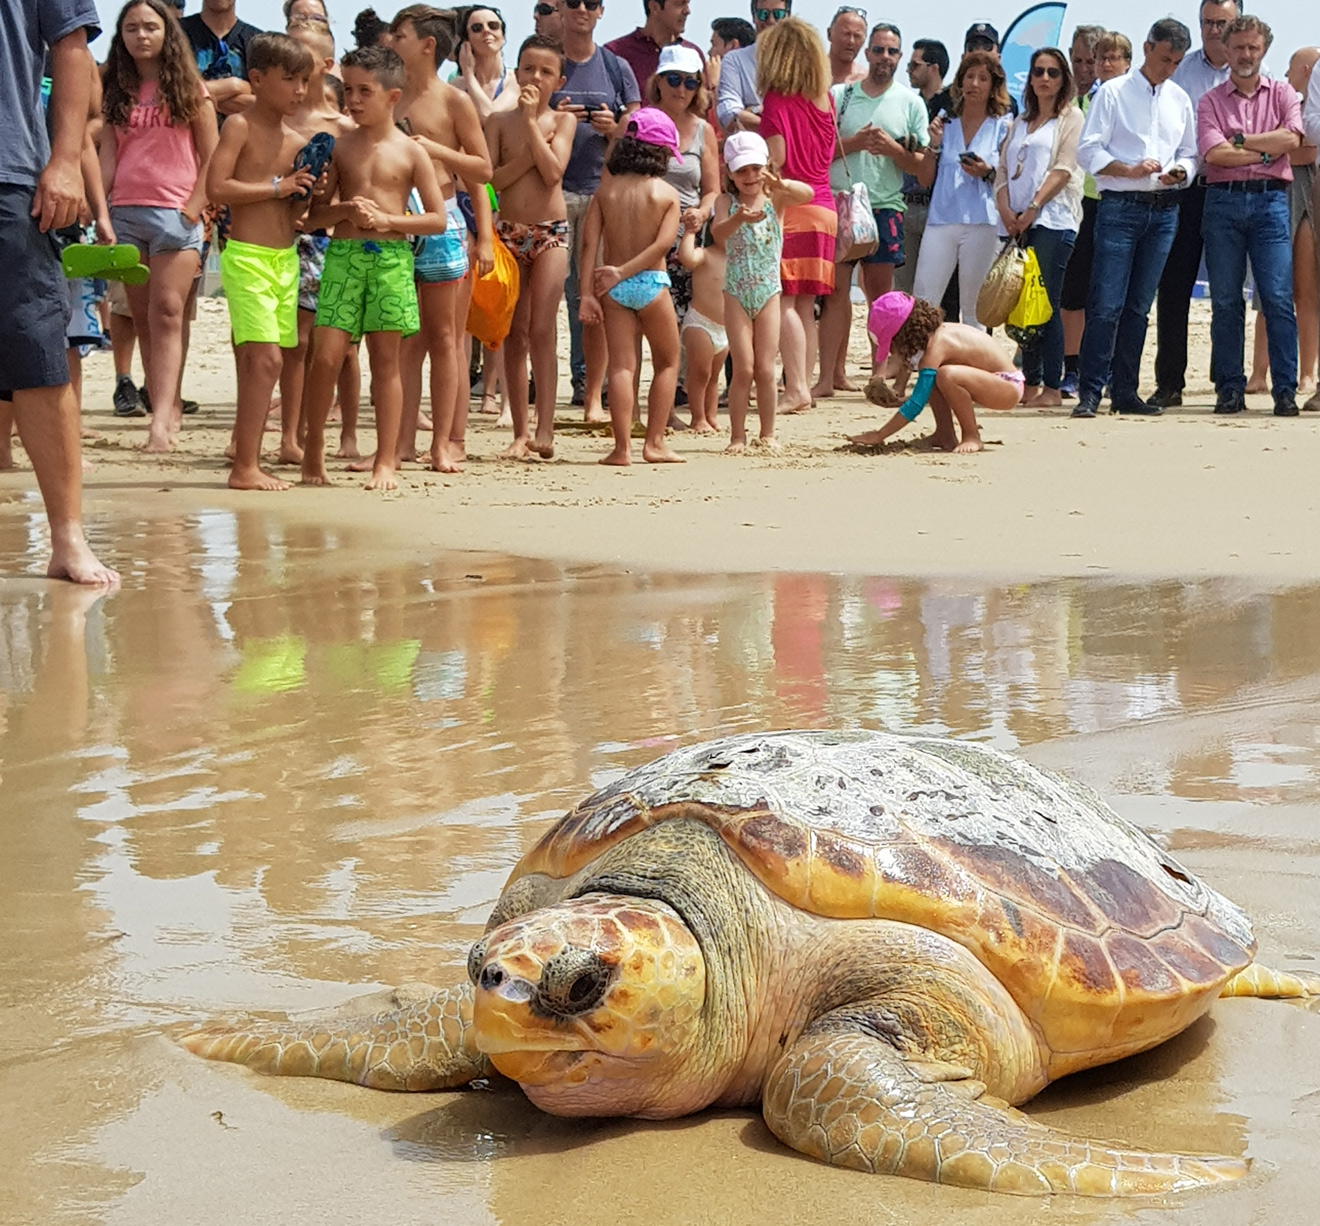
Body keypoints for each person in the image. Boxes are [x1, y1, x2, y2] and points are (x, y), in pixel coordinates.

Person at [0, 0, 118, 584]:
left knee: (37, 352)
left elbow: (72, 46)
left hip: (9, 169)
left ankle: (68, 537)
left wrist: (66, 158)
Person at [298, 45, 447, 491]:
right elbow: (312, 218)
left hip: (392, 261)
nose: (354, 100)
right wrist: (340, 206)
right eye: (348, 90)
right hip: (343, 258)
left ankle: (386, 459)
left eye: (365, 91)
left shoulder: (412, 152)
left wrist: (387, 221)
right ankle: (312, 454)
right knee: (325, 357)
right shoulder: (339, 147)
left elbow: (437, 220)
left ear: (392, 96)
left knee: (387, 363)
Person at [101, 0, 218, 454]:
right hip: (126, 212)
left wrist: (194, 208)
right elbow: (109, 154)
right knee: (144, 319)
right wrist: (102, 210)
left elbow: (213, 155)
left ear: (167, 32)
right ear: (122, 36)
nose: (141, 36)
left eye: (150, 27)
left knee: (169, 313)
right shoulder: (117, 89)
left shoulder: (191, 89)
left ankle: (164, 418)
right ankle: (160, 410)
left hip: (175, 212)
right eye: (131, 28)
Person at [205, 32, 317, 491]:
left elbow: (296, 215)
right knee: (265, 360)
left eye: (305, 80)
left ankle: (247, 457)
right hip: (247, 257)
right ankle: (244, 466)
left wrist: (314, 198)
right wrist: (276, 187)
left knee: (272, 359)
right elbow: (218, 188)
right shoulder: (239, 126)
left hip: (285, 259)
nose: (299, 90)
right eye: (289, 79)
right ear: (257, 78)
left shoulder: (297, 139)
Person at [389, 5, 495, 475]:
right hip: (395, 223)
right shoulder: (388, 97)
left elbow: (483, 171)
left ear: (427, 45)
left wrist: (487, 238)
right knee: (404, 341)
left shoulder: (453, 101)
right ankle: (402, 442)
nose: (391, 40)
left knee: (448, 338)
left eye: (400, 34)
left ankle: (449, 440)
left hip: (445, 219)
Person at [1073, 18, 1196, 419]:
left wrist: (1182, 172)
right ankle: (1090, 392)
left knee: (1139, 307)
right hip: (1120, 206)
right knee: (1106, 303)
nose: (1170, 68)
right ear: (1146, 49)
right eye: (1164, 59)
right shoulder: (1111, 93)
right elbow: (1087, 151)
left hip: (1165, 209)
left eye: (1176, 62)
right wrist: (1128, 170)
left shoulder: (1179, 98)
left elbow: (1190, 152)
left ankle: (1125, 389)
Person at [815, 22, 928, 400]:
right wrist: (857, 142)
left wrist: (892, 150)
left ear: (900, 56)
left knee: (882, 299)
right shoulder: (839, 95)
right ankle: (828, 376)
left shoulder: (911, 103)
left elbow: (922, 168)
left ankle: (878, 373)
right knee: (835, 294)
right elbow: (819, 152)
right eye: (878, 50)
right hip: (842, 204)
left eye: (892, 51)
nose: (884, 57)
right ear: (868, 53)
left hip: (885, 206)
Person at [1198, 15, 1303, 417]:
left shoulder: (1283, 93)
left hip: (1270, 201)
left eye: (1252, 47)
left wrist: (1241, 141)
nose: (1245, 54)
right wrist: (1266, 151)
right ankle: (1229, 388)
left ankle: (1285, 390)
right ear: (1226, 49)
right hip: (1222, 201)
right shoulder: (1210, 101)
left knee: (1277, 298)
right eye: (1238, 47)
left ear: (1264, 49)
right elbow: (1213, 153)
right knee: (1225, 301)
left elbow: (1291, 139)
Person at [579, 109, 685, 465]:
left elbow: (588, 246)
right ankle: (654, 442)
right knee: (668, 362)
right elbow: (662, 247)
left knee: (622, 367)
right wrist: (624, 271)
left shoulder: (604, 192)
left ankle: (622, 448)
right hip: (651, 282)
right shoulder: (667, 194)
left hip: (613, 287)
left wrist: (587, 295)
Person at [487, 34, 575, 459]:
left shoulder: (563, 121)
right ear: (516, 72)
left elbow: (554, 173)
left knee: (543, 329)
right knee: (513, 332)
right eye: (528, 69)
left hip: (550, 231)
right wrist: (521, 124)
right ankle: (520, 431)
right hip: (508, 231)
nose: (535, 77)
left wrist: (529, 123)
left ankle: (545, 428)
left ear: (558, 80)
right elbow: (494, 181)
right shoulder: (497, 123)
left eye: (545, 71)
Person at [1150, 0, 1239, 409]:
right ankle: (1169, 383)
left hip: (1231, 190)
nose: (1213, 30)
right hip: (1185, 190)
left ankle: (1227, 380)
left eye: (1222, 22)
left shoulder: (1256, 72)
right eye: (1206, 22)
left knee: (1227, 288)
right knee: (1173, 287)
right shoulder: (1181, 71)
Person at [554, 0, 641, 421]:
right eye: (573, 2)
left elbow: (638, 133)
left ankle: (594, 389)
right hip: (552, 193)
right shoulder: (545, 60)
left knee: (597, 297)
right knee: (556, 297)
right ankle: (573, 385)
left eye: (591, 3)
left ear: (602, 11)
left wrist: (613, 128)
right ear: (559, 7)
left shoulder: (615, 67)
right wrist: (554, 119)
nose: (581, 9)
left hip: (600, 192)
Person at [277, 19, 354, 463]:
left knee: (342, 347)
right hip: (286, 239)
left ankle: (341, 433)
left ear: (326, 64)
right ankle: (291, 435)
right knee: (294, 343)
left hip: (330, 239)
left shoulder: (343, 124)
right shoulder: (278, 116)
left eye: (302, 55)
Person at [711, 131, 811, 452]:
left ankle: (767, 433)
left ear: (765, 166)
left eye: (755, 168)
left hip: (768, 291)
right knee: (744, 367)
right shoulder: (726, 202)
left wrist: (781, 184)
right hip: (736, 292)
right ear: (729, 172)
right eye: (741, 171)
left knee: (766, 369)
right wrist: (738, 218)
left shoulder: (775, 198)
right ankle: (737, 436)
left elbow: (807, 193)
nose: (750, 176)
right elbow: (718, 235)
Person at [993, 47, 1082, 407]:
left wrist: (1032, 206)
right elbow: (1001, 171)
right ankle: (1029, 383)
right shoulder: (1020, 121)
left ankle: (1051, 385)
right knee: (1021, 304)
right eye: (1039, 71)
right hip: (1017, 222)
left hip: (1053, 220)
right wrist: (1005, 209)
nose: (1045, 78)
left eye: (1053, 72)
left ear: (1064, 79)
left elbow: (1063, 168)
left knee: (1046, 301)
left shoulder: (1071, 118)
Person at [756, 16, 836, 416]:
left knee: (784, 301)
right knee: (806, 306)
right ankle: (800, 382)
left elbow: (778, 160)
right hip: (824, 205)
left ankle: (797, 387)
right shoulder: (825, 98)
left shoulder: (776, 99)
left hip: (793, 206)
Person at [847, 290, 1023, 453]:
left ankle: (972, 436)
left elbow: (917, 403)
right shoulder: (935, 337)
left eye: (893, 346)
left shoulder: (938, 345)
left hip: (1007, 386)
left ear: (903, 336)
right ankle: (945, 434)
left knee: (947, 375)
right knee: (933, 378)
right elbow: (921, 394)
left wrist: (880, 435)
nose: (894, 353)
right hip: (995, 384)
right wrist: (901, 402)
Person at [910, 50, 1012, 327]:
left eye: (982, 78)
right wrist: (933, 144)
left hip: (984, 222)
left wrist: (986, 172)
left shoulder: (1003, 126)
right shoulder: (945, 122)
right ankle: (922, 364)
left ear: (993, 86)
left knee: (974, 307)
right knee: (923, 298)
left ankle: (971, 367)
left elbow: (1009, 180)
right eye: (969, 76)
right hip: (942, 218)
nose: (974, 84)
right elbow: (924, 179)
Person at [1060, 29, 1128, 399]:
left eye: (1096, 60)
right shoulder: (1064, 100)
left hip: (1114, 201)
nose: (1088, 68)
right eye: (1081, 61)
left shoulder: (1119, 98)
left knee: (1111, 292)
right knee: (1073, 292)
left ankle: (1114, 368)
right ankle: (1073, 368)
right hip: (1075, 205)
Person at [1249, 47, 1319, 405]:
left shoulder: (1305, 103)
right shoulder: (1279, 100)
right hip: (1277, 189)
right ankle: (1259, 371)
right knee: (1270, 289)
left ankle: (1307, 372)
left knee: (1306, 289)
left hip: (1306, 188)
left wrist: (1275, 147)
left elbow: (1306, 151)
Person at [649, 45, 717, 324]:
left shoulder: (703, 130)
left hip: (686, 237)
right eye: (674, 79)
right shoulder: (640, 123)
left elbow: (713, 190)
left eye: (690, 82)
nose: (682, 89)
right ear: (659, 82)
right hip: (645, 232)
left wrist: (702, 213)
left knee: (686, 320)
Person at [894, 37, 951, 301]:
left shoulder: (955, 107)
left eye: (914, 65)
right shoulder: (906, 106)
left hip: (939, 209)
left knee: (935, 297)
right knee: (903, 293)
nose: (908, 70)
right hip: (906, 204)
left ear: (934, 68)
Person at [676, 223, 728, 431]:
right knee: (700, 373)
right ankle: (698, 417)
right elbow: (686, 258)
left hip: (724, 329)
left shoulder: (739, 259)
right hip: (700, 323)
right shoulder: (705, 254)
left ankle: (711, 415)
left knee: (715, 376)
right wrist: (690, 232)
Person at [714, 1, 790, 134]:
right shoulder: (735, 60)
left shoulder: (803, 61)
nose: (771, 20)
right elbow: (729, 116)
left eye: (778, 14)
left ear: (788, 17)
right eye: (763, 14)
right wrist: (782, 129)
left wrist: (753, 111)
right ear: (754, 17)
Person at [181, 0, 263, 117]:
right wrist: (235, 86)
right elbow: (172, 95)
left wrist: (196, 97)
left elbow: (268, 105)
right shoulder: (176, 33)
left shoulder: (258, 42)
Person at [606, 0, 703, 91]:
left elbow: (704, 104)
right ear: (654, 7)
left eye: (687, 3)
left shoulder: (693, 55)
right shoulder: (614, 53)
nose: (687, 11)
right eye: (679, 4)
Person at [825, 6, 865, 88]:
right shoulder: (810, 74)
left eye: (857, 36)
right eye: (846, 34)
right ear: (830, 34)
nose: (851, 41)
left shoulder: (865, 83)